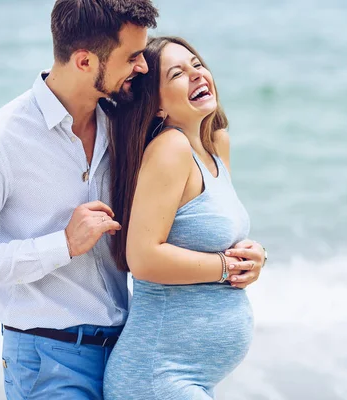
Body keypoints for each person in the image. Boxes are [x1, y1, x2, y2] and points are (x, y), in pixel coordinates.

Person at [0, 1, 158, 398]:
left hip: (127, 355)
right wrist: (63, 245)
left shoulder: (123, 124)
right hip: (47, 360)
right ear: (85, 61)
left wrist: (229, 256)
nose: (142, 67)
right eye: (132, 57)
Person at [102, 36, 266, 400]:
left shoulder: (215, 146)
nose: (196, 74)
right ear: (157, 106)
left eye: (196, 64)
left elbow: (215, 235)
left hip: (188, 378)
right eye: (178, 73)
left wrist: (254, 258)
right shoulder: (170, 148)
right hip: (155, 377)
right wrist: (225, 267)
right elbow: (143, 259)